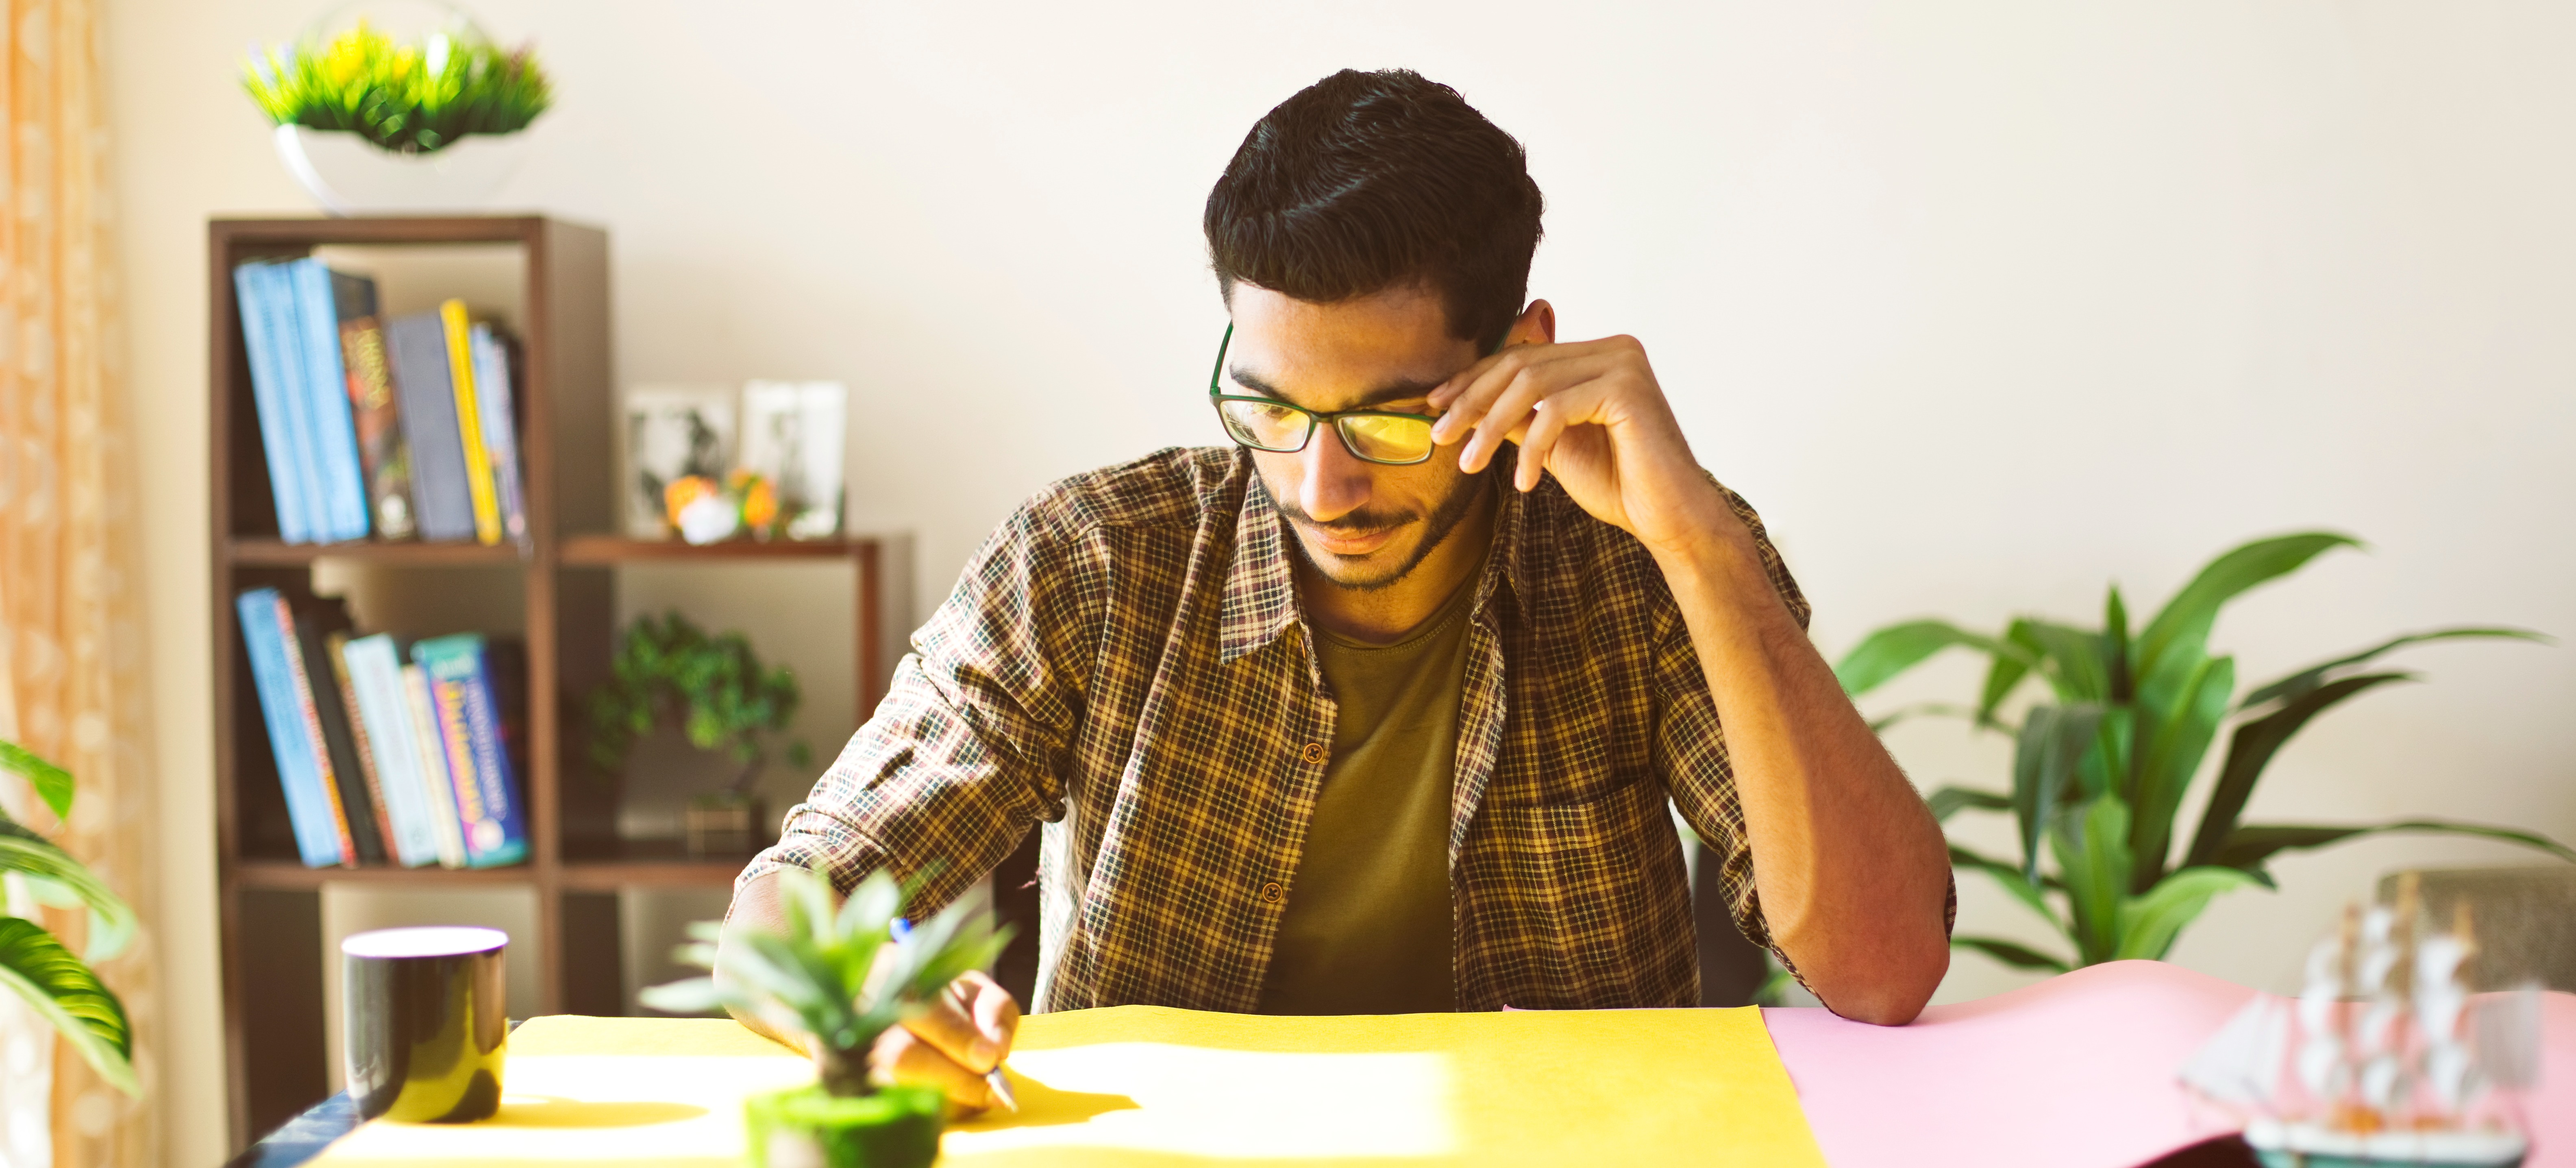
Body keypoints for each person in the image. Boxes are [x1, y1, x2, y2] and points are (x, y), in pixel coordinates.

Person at [722, 67, 1954, 1111]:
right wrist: (862, 998)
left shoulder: (1634, 569)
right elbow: (789, 900)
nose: (1323, 486)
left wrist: (1698, 542)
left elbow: (1882, 970)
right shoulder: (1094, 565)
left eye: (1387, 418)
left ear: (1521, 360)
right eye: (1271, 406)